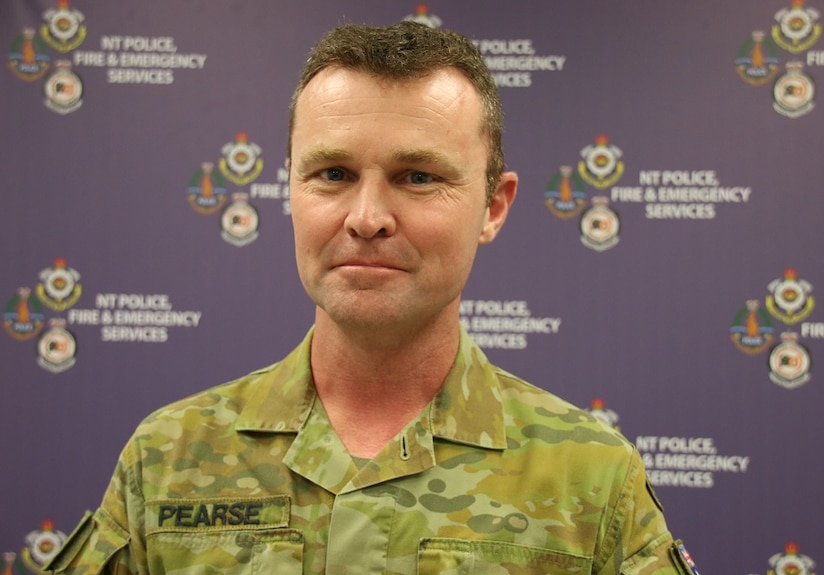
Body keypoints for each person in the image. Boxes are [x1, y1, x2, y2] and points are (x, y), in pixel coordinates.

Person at [47, 21, 698, 575]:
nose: (367, 216)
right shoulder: (166, 460)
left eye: (417, 177)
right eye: (332, 174)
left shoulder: (591, 478)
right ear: (291, 192)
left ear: (494, 207)